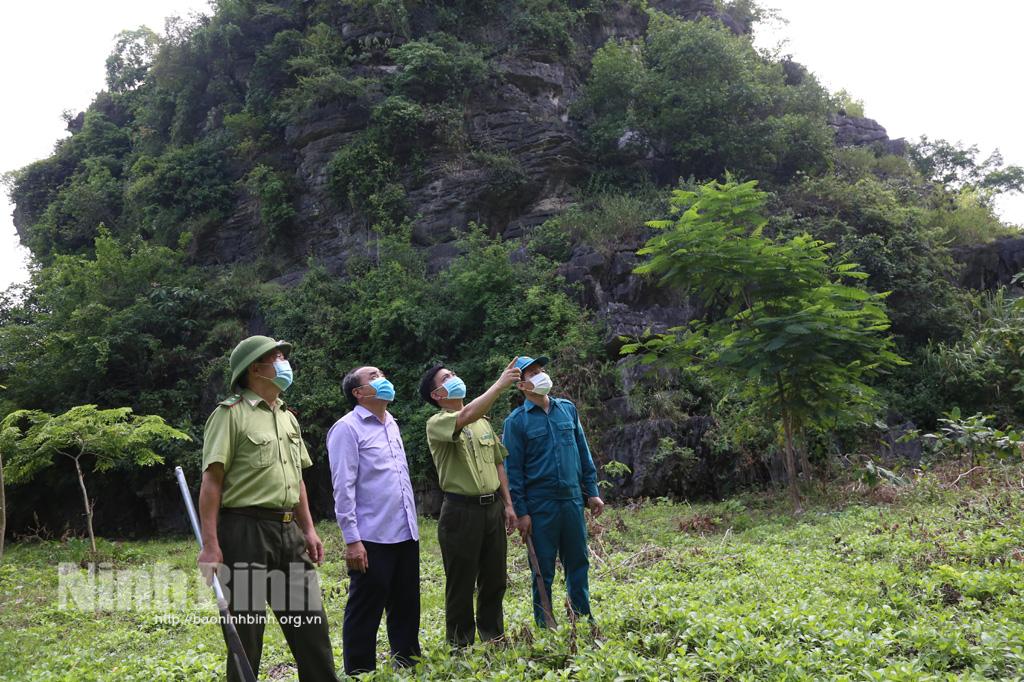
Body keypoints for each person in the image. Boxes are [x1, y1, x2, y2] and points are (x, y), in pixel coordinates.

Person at [197, 335, 338, 682]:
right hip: (245, 530)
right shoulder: (229, 414)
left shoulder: (288, 417)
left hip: (289, 531)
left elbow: (297, 479)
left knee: (311, 628)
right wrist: (211, 545)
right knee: (246, 632)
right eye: (275, 357)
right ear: (254, 369)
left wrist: (309, 530)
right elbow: (212, 482)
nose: (283, 363)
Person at [419, 359, 521, 647]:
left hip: (492, 508)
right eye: (446, 378)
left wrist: (508, 505)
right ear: (437, 395)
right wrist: (499, 385)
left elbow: (498, 463)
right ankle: (460, 643)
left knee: (495, 577)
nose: (454, 377)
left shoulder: (483, 423)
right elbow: (465, 415)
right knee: (461, 581)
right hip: (460, 511)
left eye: (453, 373)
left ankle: (493, 636)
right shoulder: (437, 423)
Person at [326, 366, 420, 675]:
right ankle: (359, 672)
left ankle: (408, 662)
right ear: (358, 392)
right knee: (365, 608)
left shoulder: (391, 422)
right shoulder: (347, 428)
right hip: (371, 536)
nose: (383, 380)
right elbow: (343, 487)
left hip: (405, 530)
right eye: (374, 377)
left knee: (406, 603)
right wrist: (352, 539)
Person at [501, 355, 604, 627]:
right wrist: (522, 513)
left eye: (541, 370)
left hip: (572, 500)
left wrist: (591, 491)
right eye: (532, 373)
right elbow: (513, 472)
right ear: (521, 385)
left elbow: (583, 452)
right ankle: (545, 624)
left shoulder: (567, 410)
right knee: (542, 569)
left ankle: (582, 618)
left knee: (578, 562)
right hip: (540, 506)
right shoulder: (516, 422)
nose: (540, 375)